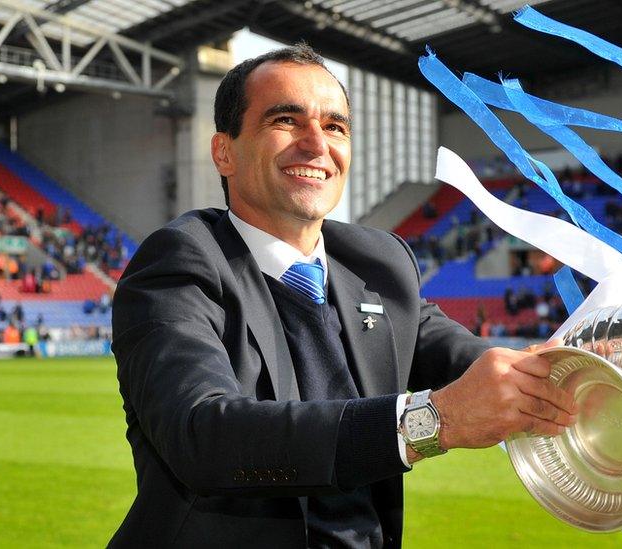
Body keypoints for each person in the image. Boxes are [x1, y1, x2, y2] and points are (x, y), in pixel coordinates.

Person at [109, 44, 576, 548]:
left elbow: (469, 360)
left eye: (335, 127)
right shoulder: (181, 261)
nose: (316, 144)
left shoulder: (378, 262)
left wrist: (581, 366)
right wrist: (433, 421)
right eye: (285, 119)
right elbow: (204, 434)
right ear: (224, 151)